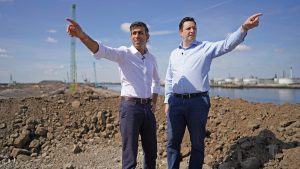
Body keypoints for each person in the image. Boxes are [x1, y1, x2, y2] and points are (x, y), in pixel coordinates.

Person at [164, 13, 263, 169]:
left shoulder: (205, 47)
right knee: (172, 142)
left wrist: (243, 28)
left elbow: (226, 45)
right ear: (180, 32)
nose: (192, 31)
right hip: (175, 102)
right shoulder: (173, 54)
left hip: (197, 102)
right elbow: (169, 78)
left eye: (194, 28)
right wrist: (167, 100)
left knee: (197, 143)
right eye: (188, 28)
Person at [66, 18, 160, 169]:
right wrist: (82, 36)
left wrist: (154, 101)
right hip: (130, 108)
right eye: (134, 33)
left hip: (148, 109)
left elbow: (156, 82)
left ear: (147, 36)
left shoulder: (151, 59)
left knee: (151, 152)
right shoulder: (124, 53)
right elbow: (101, 50)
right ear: (131, 37)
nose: (137, 36)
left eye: (140, 33)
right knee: (130, 154)